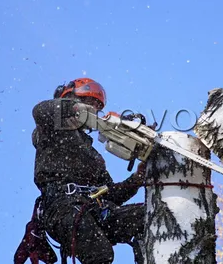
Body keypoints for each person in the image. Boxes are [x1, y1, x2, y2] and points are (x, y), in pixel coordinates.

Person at [14, 78, 146, 264]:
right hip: (62, 206)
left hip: (96, 208)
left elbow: (110, 194)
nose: (93, 109)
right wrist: (73, 108)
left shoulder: (92, 155)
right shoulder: (50, 129)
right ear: (68, 98)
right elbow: (40, 110)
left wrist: (137, 180)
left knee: (147, 217)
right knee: (100, 253)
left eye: (96, 106)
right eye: (88, 102)